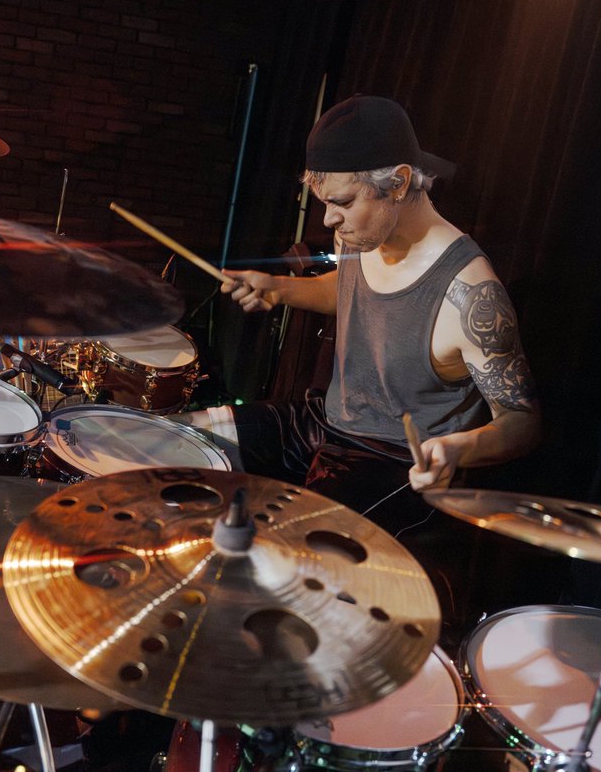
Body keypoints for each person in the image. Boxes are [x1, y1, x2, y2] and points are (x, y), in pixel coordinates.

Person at [185, 95, 542, 643]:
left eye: (343, 203)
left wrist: (457, 450)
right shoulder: (361, 230)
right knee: (184, 443)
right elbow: (353, 291)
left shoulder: (470, 295)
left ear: (398, 182)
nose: (329, 219)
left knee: (285, 577)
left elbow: (522, 420)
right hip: (321, 424)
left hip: (392, 463)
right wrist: (279, 288)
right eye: (324, 202)